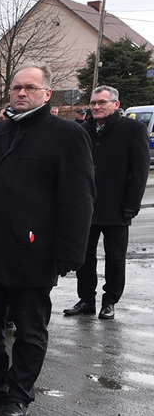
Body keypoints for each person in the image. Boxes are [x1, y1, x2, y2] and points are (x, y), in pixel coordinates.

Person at [0, 62, 95, 416]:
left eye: (30, 88)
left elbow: (78, 198)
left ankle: (19, 393)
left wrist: (69, 252)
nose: (21, 93)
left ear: (47, 94)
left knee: (30, 330)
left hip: (32, 250)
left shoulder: (67, 135)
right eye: (16, 87)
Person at [63, 85, 149, 321]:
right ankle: (86, 300)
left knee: (115, 257)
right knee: (84, 256)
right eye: (93, 103)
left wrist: (132, 204)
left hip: (117, 207)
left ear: (116, 105)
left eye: (102, 103)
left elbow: (140, 172)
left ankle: (109, 301)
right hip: (86, 207)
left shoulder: (133, 129)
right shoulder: (83, 129)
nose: (96, 107)